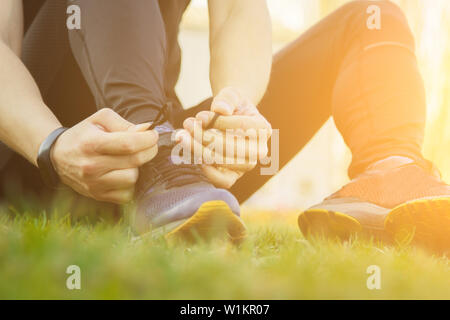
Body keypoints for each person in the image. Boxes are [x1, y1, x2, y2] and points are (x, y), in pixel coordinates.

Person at [0, 0, 449, 251]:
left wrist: (234, 111)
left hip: (175, 175)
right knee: (153, 142)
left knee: (372, 18)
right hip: (37, 154)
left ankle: (390, 173)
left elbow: (236, 10)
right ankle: (156, 155)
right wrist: (51, 146)